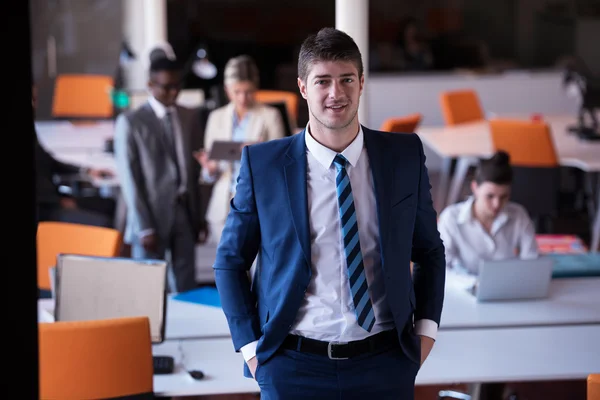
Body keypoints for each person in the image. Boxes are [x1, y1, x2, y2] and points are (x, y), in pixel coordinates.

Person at [213, 27, 445, 399]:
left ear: (361, 83)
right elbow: (229, 261)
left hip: (385, 363)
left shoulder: (402, 156)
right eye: (323, 81)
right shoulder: (264, 164)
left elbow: (429, 251)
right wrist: (252, 351)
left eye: (346, 79)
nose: (336, 93)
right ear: (303, 87)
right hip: (292, 366)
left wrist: (426, 333)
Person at [114, 56, 204, 293]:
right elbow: (130, 180)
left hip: (184, 210)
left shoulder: (189, 116)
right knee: (148, 287)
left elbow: (195, 169)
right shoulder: (131, 122)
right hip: (150, 215)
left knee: (186, 283)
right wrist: (144, 227)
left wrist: (199, 216)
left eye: (177, 86)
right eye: (166, 87)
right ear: (150, 85)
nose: (173, 93)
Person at [195, 55, 286, 244]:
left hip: (258, 203)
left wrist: (259, 154)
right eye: (237, 91)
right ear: (227, 90)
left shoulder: (271, 116)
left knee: (257, 268)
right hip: (223, 205)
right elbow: (212, 172)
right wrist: (209, 169)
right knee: (225, 269)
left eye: (249, 91)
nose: (243, 98)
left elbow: (281, 163)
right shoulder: (216, 118)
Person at [438, 151, 539, 276]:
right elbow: (441, 267)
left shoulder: (519, 215)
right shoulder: (450, 218)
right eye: (490, 196)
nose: (496, 204)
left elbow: (531, 261)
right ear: (475, 188)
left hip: (508, 289)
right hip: (464, 289)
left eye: (504, 197)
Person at [33, 84, 115, 228]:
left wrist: (86, 170)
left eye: (35, 98)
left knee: (111, 205)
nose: (33, 104)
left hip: (55, 199)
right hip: (44, 210)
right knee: (103, 224)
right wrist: (58, 202)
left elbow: (50, 162)